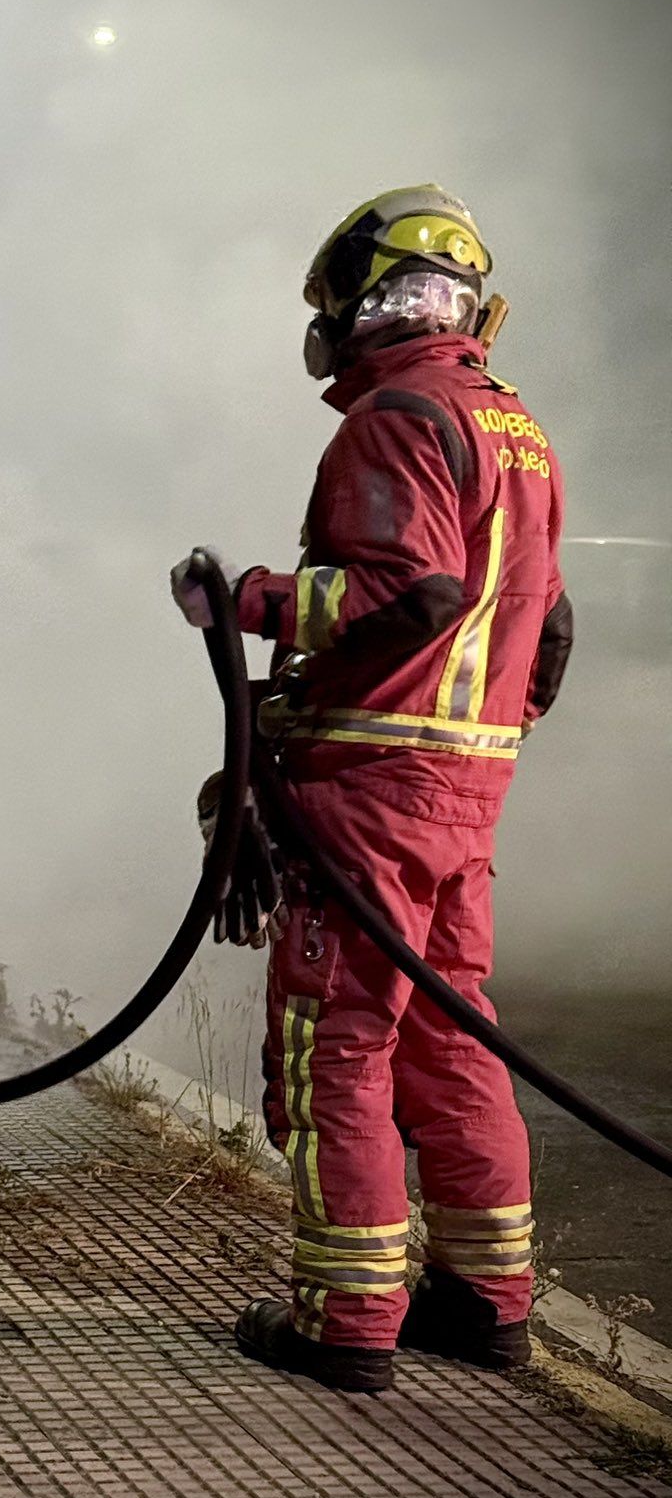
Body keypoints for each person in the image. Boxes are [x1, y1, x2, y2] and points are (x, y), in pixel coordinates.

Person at [172, 186, 572, 1394]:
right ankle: (487, 1302)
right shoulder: (516, 428)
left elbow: (409, 594)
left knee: (335, 1039)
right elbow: (547, 631)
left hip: (372, 791)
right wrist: (470, 743)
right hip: (465, 792)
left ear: (360, 300)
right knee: (452, 1035)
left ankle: (346, 1321)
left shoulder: (396, 418)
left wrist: (246, 598)